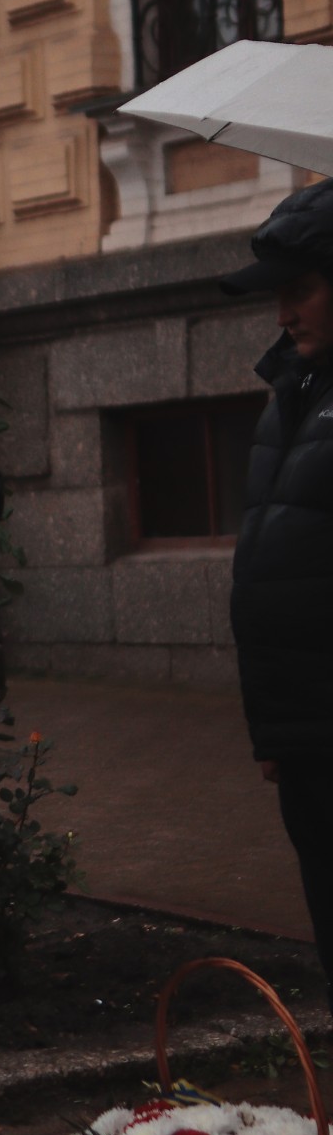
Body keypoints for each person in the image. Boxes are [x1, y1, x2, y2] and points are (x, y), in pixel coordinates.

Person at [222, 181, 333, 1012]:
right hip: (306, 730)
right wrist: (276, 728)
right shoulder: (290, 394)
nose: (284, 313)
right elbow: (273, 567)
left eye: (300, 288)